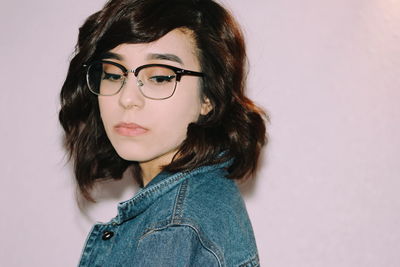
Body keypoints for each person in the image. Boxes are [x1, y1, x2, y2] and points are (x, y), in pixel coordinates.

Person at [59, 0, 267, 266]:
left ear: (209, 98)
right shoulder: (207, 195)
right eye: (113, 74)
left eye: (159, 77)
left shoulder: (172, 230)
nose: (127, 98)